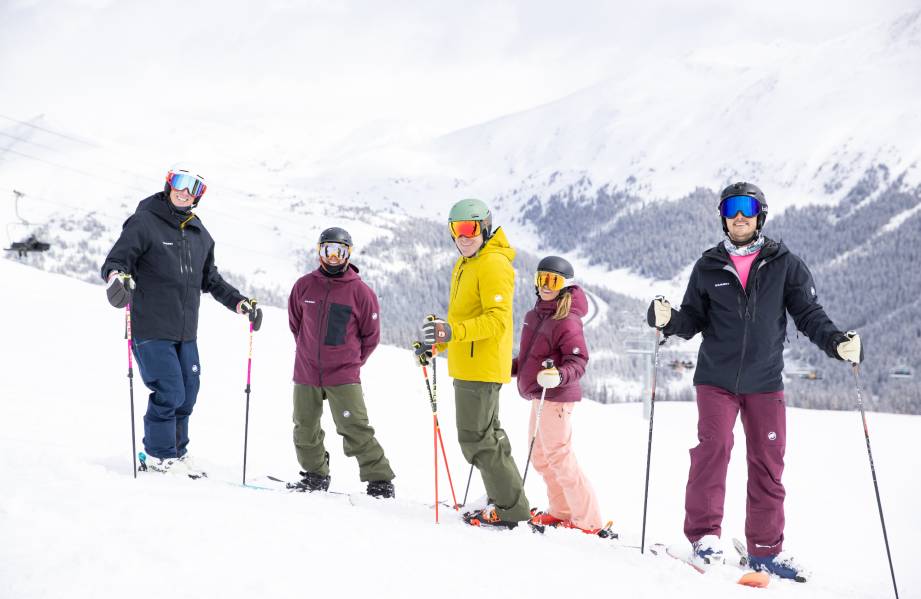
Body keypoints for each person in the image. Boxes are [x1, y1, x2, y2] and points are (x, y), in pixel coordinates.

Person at [647, 181, 863, 581]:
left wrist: (837, 343)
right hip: (716, 379)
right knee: (714, 448)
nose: (739, 216)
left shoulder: (785, 264)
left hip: (765, 382)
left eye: (747, 208)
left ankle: (765, 550)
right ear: (723, 218)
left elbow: (809, 314)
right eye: (731, 209)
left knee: (768, 462)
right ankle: (704, 538)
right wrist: (668, 320)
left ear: (759, 215)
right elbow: (692, 319)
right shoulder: (708, 266)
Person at [101, 165, 262, 478]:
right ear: (169, 185)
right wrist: (117, 278)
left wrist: (240, 303)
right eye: (180, 183)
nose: (185, 192)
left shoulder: (200, 234)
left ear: (198, 196)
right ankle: (158, 456)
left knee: (188, 392)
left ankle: (176, 451)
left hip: (186, 331)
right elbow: (116, 261)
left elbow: (211, 279)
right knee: (169, 391)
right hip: (150, 327)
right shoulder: (144, 222)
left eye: (193, 188)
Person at [420, 198, 530, 528]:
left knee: (477, 439)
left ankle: (511, 510)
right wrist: (438, 342)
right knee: (488, 436)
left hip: (481, 367)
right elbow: (462, 319)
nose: (463, 236)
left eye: (470, 228)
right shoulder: (467, 263)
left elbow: (497, 320)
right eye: (457, 229)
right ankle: (507, 501)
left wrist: (452, 332)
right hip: (471, 365)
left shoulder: (493, 264)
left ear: (484, 227)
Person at [288, 227, 395, 498]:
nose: (333, 257)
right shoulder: (304, 285)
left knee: (355, 427)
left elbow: (371, 337)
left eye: (339, 251)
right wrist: (308, 352)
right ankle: (315, 475)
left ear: (348, 254)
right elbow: (296, 324)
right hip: (307, 371)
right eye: (328, 250)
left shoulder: (360, 292)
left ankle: (380, 481)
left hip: (343, 374)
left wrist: (350, 363)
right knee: (304, 427)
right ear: (319, 252)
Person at [512, 256, 603, 534]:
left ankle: (588, 521)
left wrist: (559, 375)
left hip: (557, 397)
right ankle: (561, 510)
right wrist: (507, 367)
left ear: (565, 285)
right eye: (541, 279)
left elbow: (578, 360)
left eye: (553, 280)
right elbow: (529, 358)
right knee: (540, 456)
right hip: (539, 395)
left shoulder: (567, 320)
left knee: (559, 457)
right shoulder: (535, 316)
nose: (546, 286)